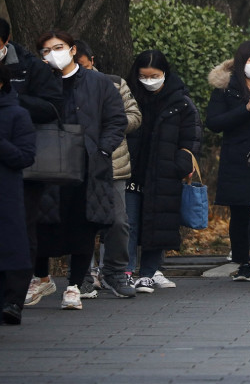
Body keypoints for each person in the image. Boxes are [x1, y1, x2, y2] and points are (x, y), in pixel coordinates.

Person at [31, 31, 127, 309]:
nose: (53, 54)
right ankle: (41, 278)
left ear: (73, 50)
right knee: (41, 222)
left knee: (84, 225)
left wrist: (102, 150)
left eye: (58, 47)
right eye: (46, 50)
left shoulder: (99, 82)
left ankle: (75, 286)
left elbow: (116, 119)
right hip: (46, 163)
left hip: (87, 163)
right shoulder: (39, 81)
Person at [125, 50, 201, 293]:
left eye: (154, 76)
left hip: (163, 173)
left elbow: (191, 137)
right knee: (128, 224)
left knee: (157, 223)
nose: (149, 81)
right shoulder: (128, 97)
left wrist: (179, 164)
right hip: (131, 172)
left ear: (165, 74)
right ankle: (126, 271)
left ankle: (148, 273)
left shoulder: (181, 102)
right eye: (144, 76)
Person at [0, 18, 62, 307]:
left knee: (21, 228)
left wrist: (14, 100)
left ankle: (15, 297)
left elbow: (53, 107)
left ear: (6, 41)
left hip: (24, 163)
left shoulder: (30, 67)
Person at [73, 41, 141, 298]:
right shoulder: (63, 84)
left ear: (92, 60)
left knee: (118, 222)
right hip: (75, 163)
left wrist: (111, 123)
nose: (80, 70)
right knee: (77, 221)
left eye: (83, 65)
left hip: (112, 163)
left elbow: (135, 116)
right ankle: (81, 276)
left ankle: (114, 272)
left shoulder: (113, 83)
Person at [206, 41, 250, 282]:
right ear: (242, 62)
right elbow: (214, 122)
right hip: (238, 157)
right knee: (240, 211)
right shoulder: (227, 88)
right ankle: (243, 262)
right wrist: (246, 109)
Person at [0, 63, 36, 325]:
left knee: (10, 252)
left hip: (5, 196)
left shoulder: (16, 114)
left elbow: (24, 157)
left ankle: (12, 302)